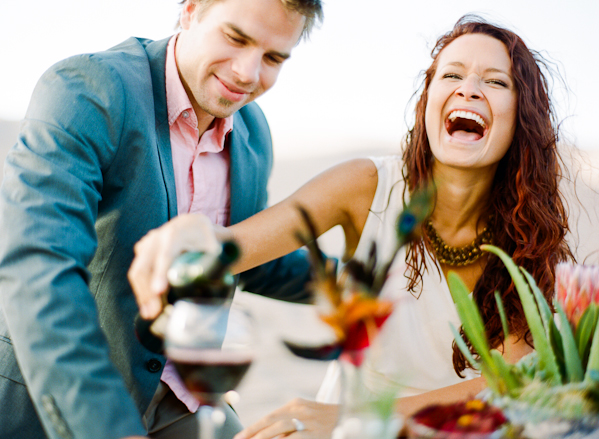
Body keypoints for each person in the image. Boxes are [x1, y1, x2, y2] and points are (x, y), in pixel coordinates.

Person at [129, 15, 573, 439]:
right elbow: (233, 247)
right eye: (451, 76)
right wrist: (185, 238)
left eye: (495, 82)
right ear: (428, 101)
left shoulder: (530, 240)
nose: (469, 90)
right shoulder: (369, 186)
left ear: (522, 117)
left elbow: (510, 390)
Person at [0, 0, 324, 438]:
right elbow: (39, 270)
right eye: (236, 37)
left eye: (272, 58)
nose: (248, 73)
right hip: (73, 394)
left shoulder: (253, 131)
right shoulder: (87, 90)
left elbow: (250, 256)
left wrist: (378, 283)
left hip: (183, 395)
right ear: (190, 11)